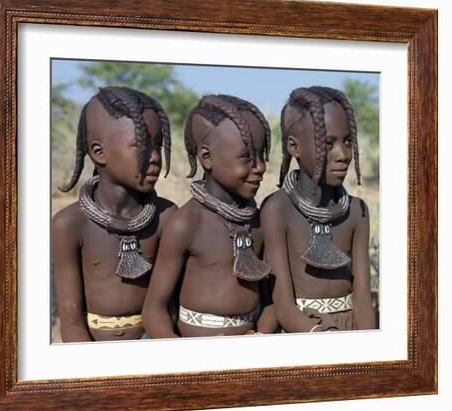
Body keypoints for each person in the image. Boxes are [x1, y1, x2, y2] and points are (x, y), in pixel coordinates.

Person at [143, 94, 278, 338]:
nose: (260, 167)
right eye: (247, 156)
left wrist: (262, 339)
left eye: (261, 155)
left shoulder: (258, 220)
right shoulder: (187, 223)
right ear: (207, 158)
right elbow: (155, 307)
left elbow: (271, 302)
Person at [52, 87, 176, 342]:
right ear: (99, 153)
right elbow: (72, 321)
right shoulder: (69, 224)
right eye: (141, 145)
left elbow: (171, 306)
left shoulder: (167, 217)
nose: (154, 157)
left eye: (158, 145)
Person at [260, 86, 376, 332]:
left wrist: (368, 352)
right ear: (294, 147)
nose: (343, 154)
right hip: (302, 332)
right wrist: (323, 339)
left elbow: (363, 299)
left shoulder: (357, 211)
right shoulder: (277, 209)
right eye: (328, 143)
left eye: (347, 142)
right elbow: (283, 305)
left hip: (351, 331)